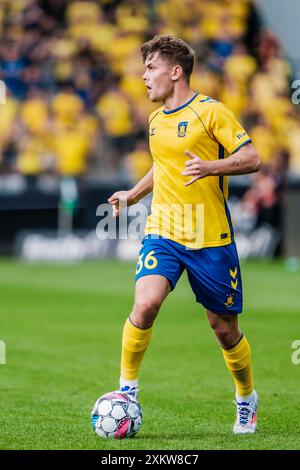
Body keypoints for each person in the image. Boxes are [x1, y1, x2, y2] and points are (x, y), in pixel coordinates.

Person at [108, 35, 261, 434]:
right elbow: (164, 166)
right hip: (164, 231)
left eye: (151, 68)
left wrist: (212, 167)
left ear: (175, 72)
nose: (143, 76)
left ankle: (246, 398)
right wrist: (133, 193)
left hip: (210, 237)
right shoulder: (155, 121)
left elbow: (252, 157)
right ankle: (127, 392)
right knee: (145, 305)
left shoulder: (211, 112)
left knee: (224, 329)